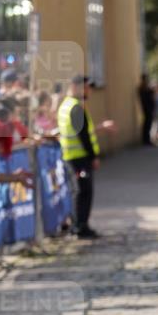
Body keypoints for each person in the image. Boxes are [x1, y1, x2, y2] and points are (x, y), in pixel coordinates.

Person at [57, 75, 113, 239]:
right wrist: (93, 156)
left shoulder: (66, 105)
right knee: (83, 192)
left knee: (78, 191)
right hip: (79, 158)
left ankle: (79, 225)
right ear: (75, 87)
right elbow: (83, 135)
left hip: (72, 156)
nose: (88, 91)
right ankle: (80, 227)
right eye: (85, 87)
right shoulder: (75, 108)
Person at [137, 73, 155, 146]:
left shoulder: (145, 87)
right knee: (147, 124)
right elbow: (146, 97)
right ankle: (146, 140)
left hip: (148, 108)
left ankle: (147, 139)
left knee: (148, 124)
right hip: (147, 108)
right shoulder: (142, 88)